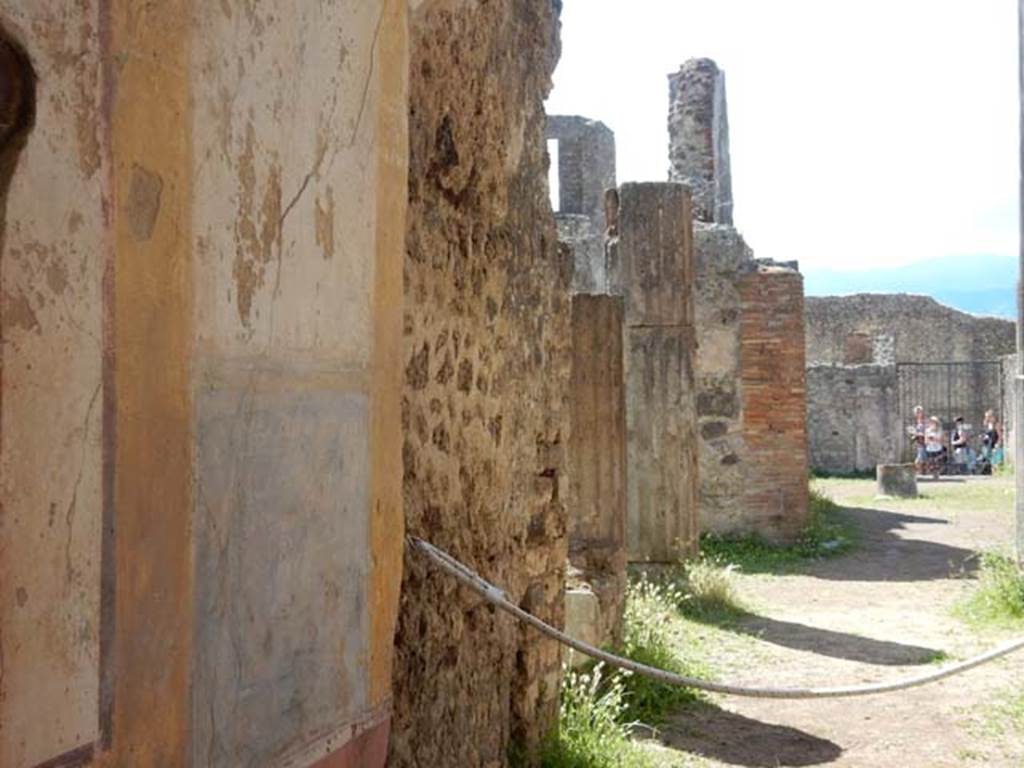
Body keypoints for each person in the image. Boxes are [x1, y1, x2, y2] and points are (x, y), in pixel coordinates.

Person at [909, 405, 928, 474]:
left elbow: (927, 433)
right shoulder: (918, 422)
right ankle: (922, 474)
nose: (917, 414)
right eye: (916, 412)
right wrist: (914, 436)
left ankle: (920, 474)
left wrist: (917, 434)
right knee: (922, 460)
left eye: (919, 412)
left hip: (925, 443)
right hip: (920, 444)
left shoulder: (925, 422)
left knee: (919, 461)